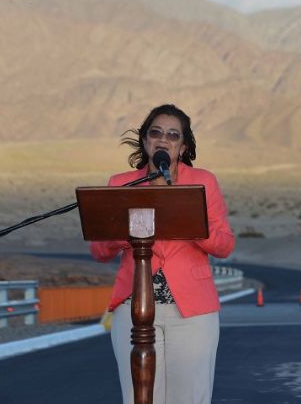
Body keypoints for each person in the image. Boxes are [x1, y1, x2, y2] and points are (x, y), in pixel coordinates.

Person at [90, 103, 235, 404]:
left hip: (192, 311)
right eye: (155, 132)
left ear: (183, 147)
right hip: (134, 310)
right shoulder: (120, 184)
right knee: (139, 398)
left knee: (189, 398)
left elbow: (225, 245)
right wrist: (125, 232)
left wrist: (192, 223)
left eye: (173, 134)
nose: (163, 139)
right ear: (145, 141)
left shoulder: (203, 182)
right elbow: (99, 249)